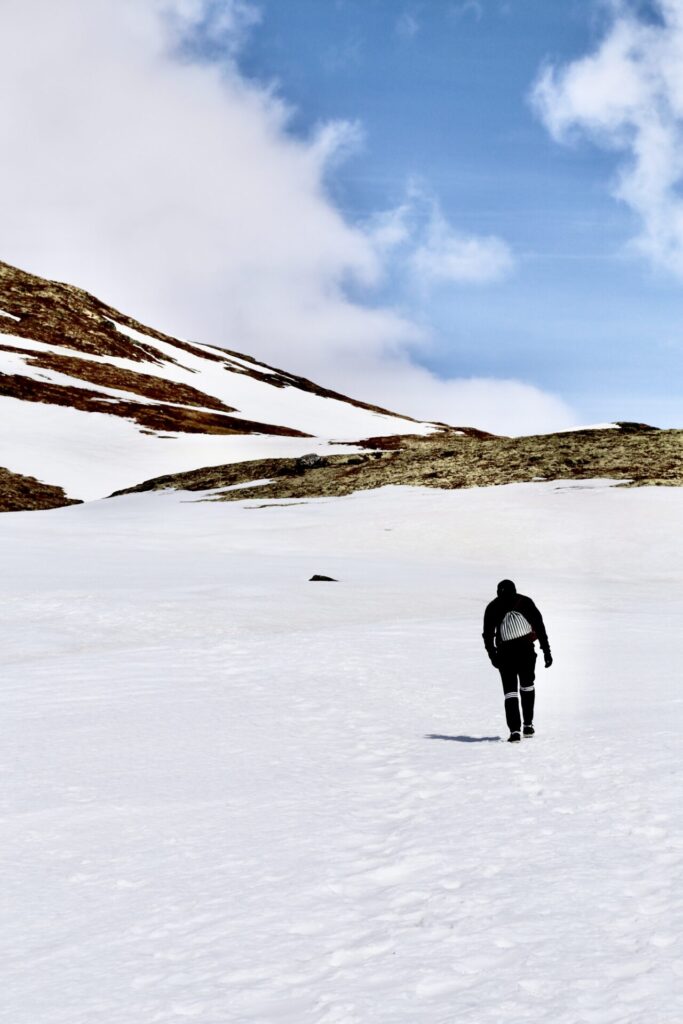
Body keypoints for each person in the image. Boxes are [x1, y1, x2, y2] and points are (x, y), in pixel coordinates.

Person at [482, 580, 552, 743]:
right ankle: (527, 725)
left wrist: (493, 656)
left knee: (510, 693)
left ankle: (515, 730)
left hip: (505, 654)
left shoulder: (493, 607)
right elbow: (539, 627)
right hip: (525, 650)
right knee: (526, 687)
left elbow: (487, 635)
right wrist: (546, 651)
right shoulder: (525, 602)